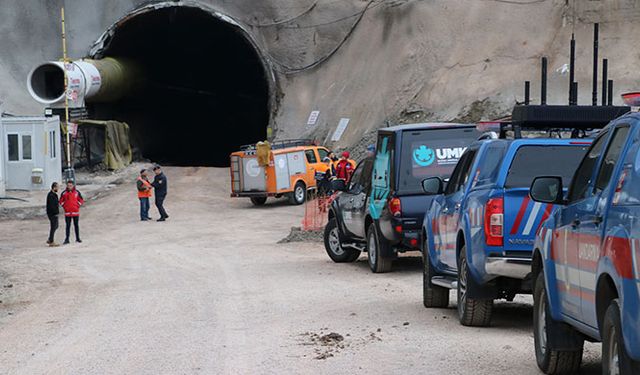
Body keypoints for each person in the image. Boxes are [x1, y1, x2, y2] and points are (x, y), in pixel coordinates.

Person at [59, 180, 84, 244]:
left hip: (75, 212)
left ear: (73, 186)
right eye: (68, 186)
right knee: (68, 226)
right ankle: (67, 239)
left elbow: (81, 200)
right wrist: (65, 206)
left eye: (70, 185)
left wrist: (78, 205)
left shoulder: (77, 192)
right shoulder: (64, 193)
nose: (69, 187)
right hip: (67, 213)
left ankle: (77, 238)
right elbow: (61, 201)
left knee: (76, 226)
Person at [46, 182, 60, 247]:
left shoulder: (54, 195)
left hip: (53, 213)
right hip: (52, 214)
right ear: (54, 187)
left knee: (56, 226)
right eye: (57, 187)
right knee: (53, 226)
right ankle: (51, 241)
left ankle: (50, 239)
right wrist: (55, 213)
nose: (58, 188)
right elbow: (52, 206)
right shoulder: (51, 195)